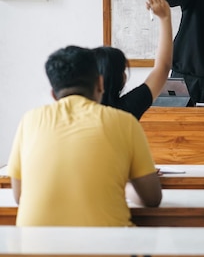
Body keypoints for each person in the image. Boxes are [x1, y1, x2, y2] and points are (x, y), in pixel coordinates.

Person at [6, 45, 162, 226]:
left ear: (53, 94)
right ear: (100, 84)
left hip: (33, 250)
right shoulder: (125, 122)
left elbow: (19, 196)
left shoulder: (29, 121)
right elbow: (152, 198)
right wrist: (124, 183)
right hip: (109, 248)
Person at [93, 0, 173, 119]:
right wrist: (165, 17)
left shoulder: (73, 114)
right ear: (122, 79)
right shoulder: (126, 109)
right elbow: (162, 68)